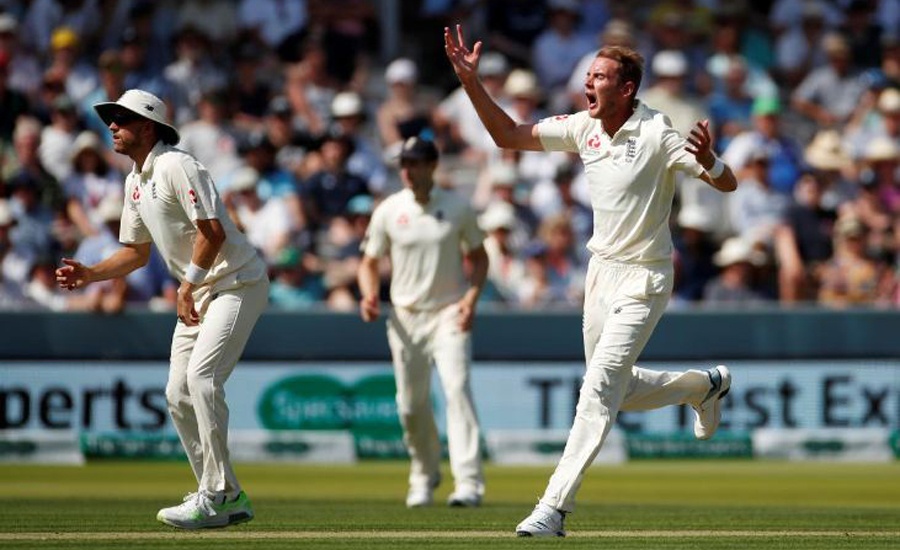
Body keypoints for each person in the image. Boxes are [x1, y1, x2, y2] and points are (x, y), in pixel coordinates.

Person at [444, 25, 738, 537]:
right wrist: (471, 83)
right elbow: (507, 135)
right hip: (599, 275)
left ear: (626, 89)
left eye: (600, 76)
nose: (588, 83)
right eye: (588, 75)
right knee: (614, 390)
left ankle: (553, 509)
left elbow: (726, 181)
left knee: (599, 387)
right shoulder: (584, 127)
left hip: (645, 277)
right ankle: (703, 385)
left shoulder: (657, 132)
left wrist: (711, 159)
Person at [54, 89, 269, 529]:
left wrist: (187, 284)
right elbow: (135, 252)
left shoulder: (176, 164)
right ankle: (227, 493)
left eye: (122, 119)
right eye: (110, 118)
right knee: (177, 394)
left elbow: (213, 231)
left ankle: (214, 495)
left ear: (148, 127)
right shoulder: (135, 181)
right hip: (197, 290)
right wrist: (91, 274)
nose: (111, 125)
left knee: (202, 379)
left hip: (236, 282)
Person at [357, 136, 489, 509]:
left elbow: (479, 258)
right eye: (404, 164)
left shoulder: (458, 207)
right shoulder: (388, 209)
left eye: (415, 163)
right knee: (410, 406)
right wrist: (369, 295)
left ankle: (469, 483)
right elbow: (369, 260)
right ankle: (424, 475)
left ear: (432, 166)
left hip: (449, 312)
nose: (407, 171)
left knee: (457, 389)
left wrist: (470, 299)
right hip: (405, 317)